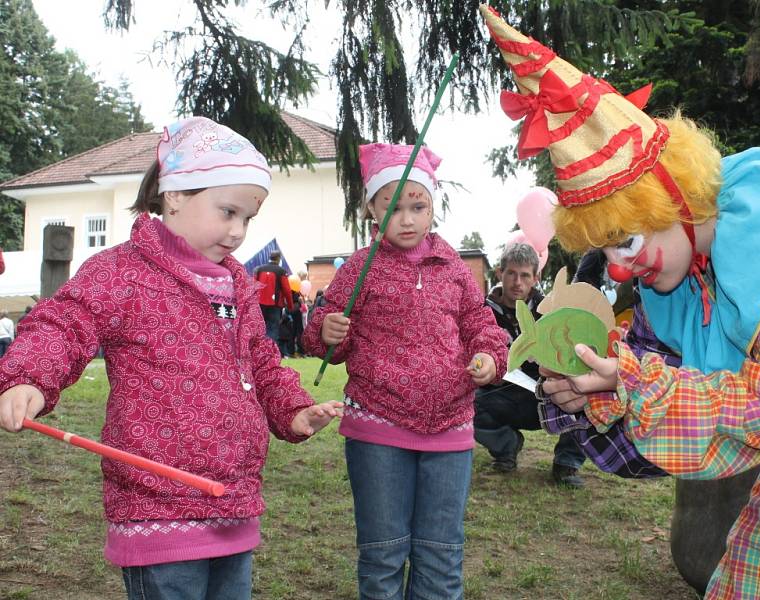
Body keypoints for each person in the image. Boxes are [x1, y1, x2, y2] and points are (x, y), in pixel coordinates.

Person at [481, 6, 760, 598]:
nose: (623, 269)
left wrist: (632, 384)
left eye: (626, 240)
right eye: (607, 251)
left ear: (671, 194)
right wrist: (591, 393)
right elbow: (657, 448)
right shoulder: (668, 296)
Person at [0, 116, 342, 600]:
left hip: (233, 502)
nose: (239, 230)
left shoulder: (237, 284)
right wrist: (29, 377)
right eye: (227, 211)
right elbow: (64, 322)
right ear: (175, 193)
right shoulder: (122, 271)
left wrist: (292, 409)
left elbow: (260, 360)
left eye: (248, 218)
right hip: (156, 507)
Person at [303, 142, 508, 600]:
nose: (408, 218)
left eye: (419, 206)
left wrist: (490, 357)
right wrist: (327, 330)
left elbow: (480, 321)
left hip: (451, 428)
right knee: (383, 554)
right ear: (372, 209)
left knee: (442, 553)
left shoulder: (453, 265)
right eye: (394, 207)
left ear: (433, 205)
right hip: (378, 430)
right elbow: (323, 339)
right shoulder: (360, 267)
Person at [473, 242, 586, 486]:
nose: (517, 282)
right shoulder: (481, 312)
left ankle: (567, 464)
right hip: (501, 395)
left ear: (536, 278)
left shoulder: (552, 311)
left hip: (547, 394)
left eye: (525, 275)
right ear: (499, 273)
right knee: (467, 403)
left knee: (588, 397)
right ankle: (506, 447)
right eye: (511, 273)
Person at [254, 250, 294, 344]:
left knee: (260, 328)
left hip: (260, 304)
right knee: (273, 329)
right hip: (275, 305)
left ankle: (260, 351)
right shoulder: (281, 271)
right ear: (279, 258)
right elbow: (287, 290)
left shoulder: (259, 270)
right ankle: (270, 352)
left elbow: (254, 286)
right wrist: (290, 305)